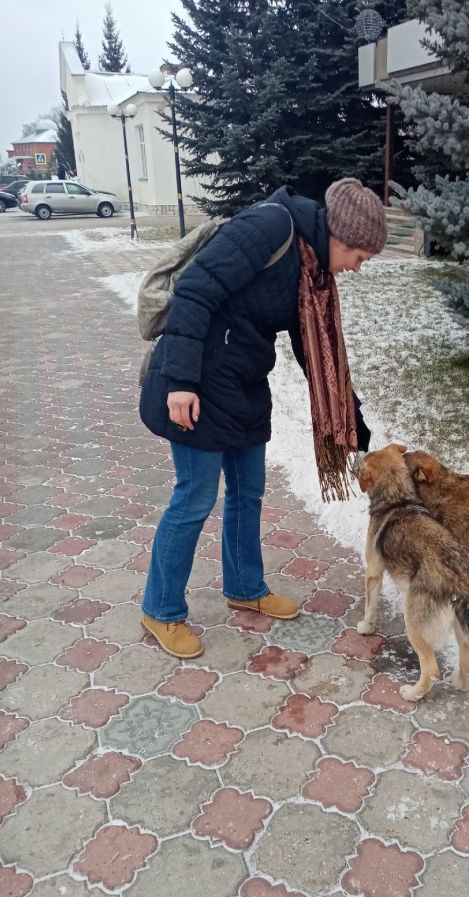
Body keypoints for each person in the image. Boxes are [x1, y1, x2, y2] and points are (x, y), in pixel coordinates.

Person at [138, 177, 387, 658]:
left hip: (243, 383)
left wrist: (351, 424)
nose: (357, 269)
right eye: (359, 258)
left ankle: (245, 585)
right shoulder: (271, 227)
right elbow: (194, 291)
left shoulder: (312, 271)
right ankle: (161, 609)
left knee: (248, 491)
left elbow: (319, 356)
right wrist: (182, 383)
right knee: (194, 497)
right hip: (198, 381)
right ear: (340, 236)